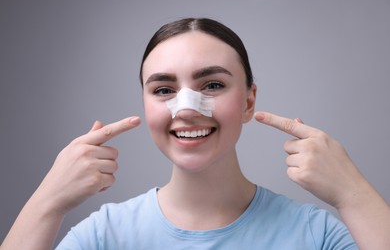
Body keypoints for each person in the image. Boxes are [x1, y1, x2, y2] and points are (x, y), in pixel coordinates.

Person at [1, 17, 389, 250]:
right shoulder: (105, 235)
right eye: (164, 90)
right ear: (145, 104)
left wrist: (354, 195)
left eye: (213, 86)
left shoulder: (314, 235)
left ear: (249, 101)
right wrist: (46, 202)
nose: (186, 109)